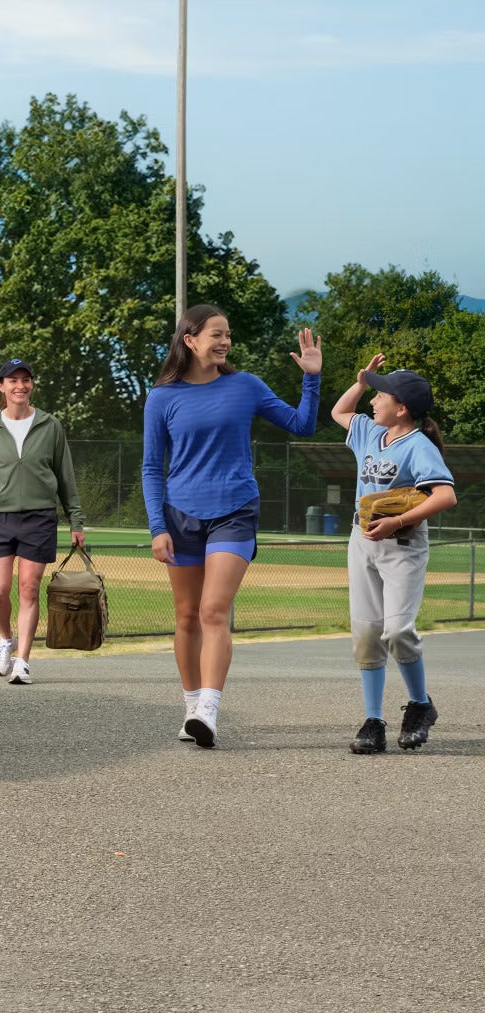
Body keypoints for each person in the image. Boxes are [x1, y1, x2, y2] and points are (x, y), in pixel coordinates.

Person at [143, 305, 322, 748]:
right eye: (216, 334)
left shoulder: (246, 386)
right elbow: (151, 467)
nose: (225, 342)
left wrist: (311, 378)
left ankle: (208, 708)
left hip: (234, 512)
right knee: (186, 616)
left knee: (213, 610)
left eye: (228, 335)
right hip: (179, 517)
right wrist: (157, 527)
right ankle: (191, 706)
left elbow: (301, 425)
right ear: (190, 340)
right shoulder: (162, 397)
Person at [329, 356, 457, 754]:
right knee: (367, 632)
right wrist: (361, 382)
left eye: (381, 395)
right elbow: (340, 411)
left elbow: (445, 496)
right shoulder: (370, 432)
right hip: (362, 539)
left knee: (398, 630)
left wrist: (399, 519)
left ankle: (420, 705)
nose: (373, 401)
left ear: (401, 408)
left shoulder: (418, 446)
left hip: (401, 543)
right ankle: (374, 720)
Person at [0, 358, 85, 684]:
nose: (20, 385)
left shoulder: (50, 425)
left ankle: (23, 661)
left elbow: (66, 477)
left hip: (39, 518)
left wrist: (76, 520)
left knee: (29, 589)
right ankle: (6, 640)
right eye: (13, 380)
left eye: (25, 379)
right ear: (1, 386)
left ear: (32, 384)